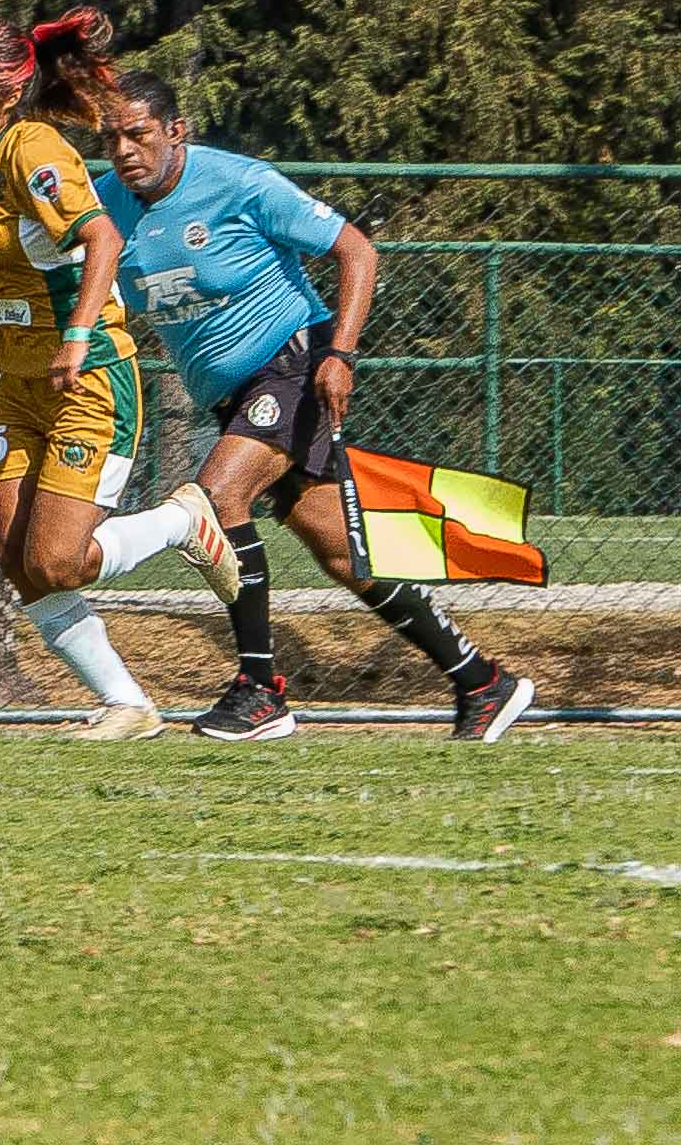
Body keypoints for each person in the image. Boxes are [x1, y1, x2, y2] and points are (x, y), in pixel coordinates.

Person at [97, 72, 536, 742]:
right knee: (339, 551)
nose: (124, 148)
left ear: (174, 130)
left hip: (292, 364)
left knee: (215, 496)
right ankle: (482, 681)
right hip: (233, 396)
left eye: (138, 132)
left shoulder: (238, 182)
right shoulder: (104, 205)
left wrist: (342, 353)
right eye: (110, 137)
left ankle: (259, 691)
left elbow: (355, 248)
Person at [0, 9, 234, 741]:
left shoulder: (33, 149)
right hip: (20, 383)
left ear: (1, 94)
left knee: (57, 559)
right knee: (16, 557)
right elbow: (26, 286)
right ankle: (127, 703)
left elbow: (102, 239)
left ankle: (183, 519)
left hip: (85, 381)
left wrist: (78, 338)